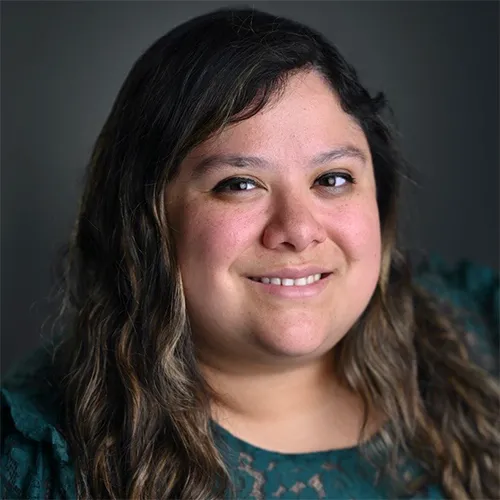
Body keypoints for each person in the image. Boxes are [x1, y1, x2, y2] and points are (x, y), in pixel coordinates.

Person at [2, 7, 499, 500]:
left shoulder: (480, 332)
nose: (299, 231)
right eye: (239, 184)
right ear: (145, 221)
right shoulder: (39, 462)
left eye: (333, 179)